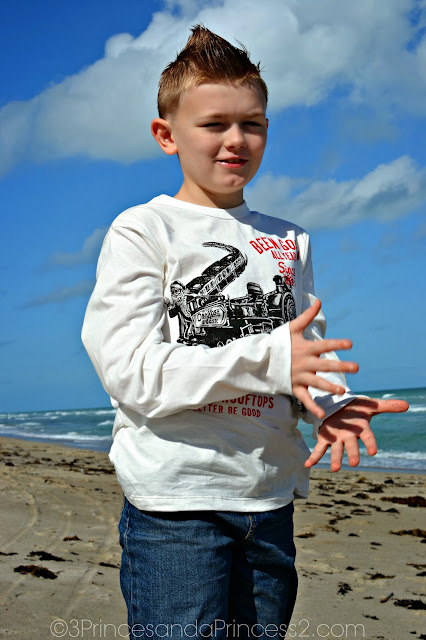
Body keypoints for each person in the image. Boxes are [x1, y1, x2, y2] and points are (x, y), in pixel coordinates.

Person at [81, 25, 408, 640]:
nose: (236, 140)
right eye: (214, 124)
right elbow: (131, 372)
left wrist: (330, 405)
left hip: (268, 498)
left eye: (252, 124)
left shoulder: (289, 239)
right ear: (166, 135)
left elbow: (301, 356)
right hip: (177, 503)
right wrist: (272, 359)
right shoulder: (144, 229)